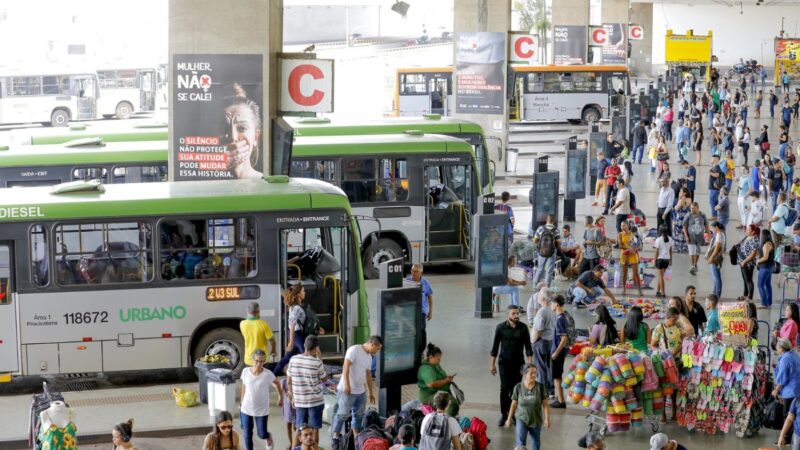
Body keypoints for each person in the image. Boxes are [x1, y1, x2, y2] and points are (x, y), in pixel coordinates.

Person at [330, 336, 383, 448]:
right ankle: (335, 437)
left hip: (361, 392)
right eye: (377, 348)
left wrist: (370, 392)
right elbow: (346, 366)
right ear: (373, 344)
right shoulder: (354, 350)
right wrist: (347, 385)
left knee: (358, 416)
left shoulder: (369, 357)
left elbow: (368, 375)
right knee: (342, 414)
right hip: (347, 391)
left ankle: (356, 437)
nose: (377, 351)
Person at [490, 305, 534, 426]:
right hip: (504, 363)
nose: (516, 316)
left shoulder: (523, 328)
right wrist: (492, 364)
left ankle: (513, 414)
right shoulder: (500, 328)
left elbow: (528, 348)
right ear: (508, 314)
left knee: (515, 389)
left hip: (518, 363)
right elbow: (494, 348)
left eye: (517, 313)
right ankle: (504, 414)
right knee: (504, 389)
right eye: (513, 314)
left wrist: (529, 366)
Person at [286, 336, 328, 445]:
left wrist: (292, 395)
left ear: (304, 345)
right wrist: (320, 358)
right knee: (314, 430)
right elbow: (325, 379)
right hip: (315, 401)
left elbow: (289, 380)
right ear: (316, 348)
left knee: (299, 429)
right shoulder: (316, 362)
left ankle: (295, 448)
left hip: (299, 401)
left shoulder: (293, 359)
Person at [239, 349, 280, 450]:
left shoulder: (267, 374)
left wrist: (280, 396)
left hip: (261, 410)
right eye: (257, 361)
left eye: (262, 361)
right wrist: (241, 401)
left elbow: (277, 383)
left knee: (261, 434)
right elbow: (244, 386)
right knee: (247, 434)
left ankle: (268, 437)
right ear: (253, 360)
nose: (259, 364)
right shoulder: (245, 372)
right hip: (246, 408)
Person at [222, 84, 263, 179]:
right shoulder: (200, 184)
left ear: (256, 138)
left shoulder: (265, 183)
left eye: (242, 129)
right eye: (223, 128)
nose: (233, 137)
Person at [506, 364, 550, 450]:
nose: (534, 375)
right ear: (525, 374)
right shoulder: (518, 387)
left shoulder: (540, 387)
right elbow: (514, 404)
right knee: (520, 445)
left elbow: (545, 404)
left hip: (536, 420)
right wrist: (509, 418)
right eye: (531, 373)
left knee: (536, 443)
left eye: (535, 373)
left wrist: (547, 418)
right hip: (522, 418)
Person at [651, 308, 683, 423]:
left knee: (674, 388)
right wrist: (663, 353)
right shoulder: (659, 328)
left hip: (676, 361)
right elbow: (652, 345)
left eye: (676, 319)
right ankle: (663, 415)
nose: (675, 321)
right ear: (668, 317)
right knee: (664, 388)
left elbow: (681, 341)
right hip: (664, 363)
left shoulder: (678, 326)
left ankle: (674, 413)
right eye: (674, 319)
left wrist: (676, 352)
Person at [273, 284, 308, 376]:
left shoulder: (295, 307)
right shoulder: (296, 308)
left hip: (297, 335)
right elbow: (292, 324)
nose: (305, 292)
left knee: (286, 358)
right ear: (298, 294)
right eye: (303, 291)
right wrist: (291, 342)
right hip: (297, 335)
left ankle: (273, 375)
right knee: (307, 356)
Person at [418, 343, 459, 416]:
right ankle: (446, 422)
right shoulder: (426, 369)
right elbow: (431, 384)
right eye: (438, 359)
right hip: (430, 394)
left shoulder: (435, 365)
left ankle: (449, 420)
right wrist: (445, 381)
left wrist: (447, 378)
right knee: (451, 405)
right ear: (431, 357)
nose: (439, 361)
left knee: (454, 403)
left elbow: (440, 376)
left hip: (439, 391)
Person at [531, 290, 555, 400]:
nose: (538, 297)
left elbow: (538, 330)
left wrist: (533, 341)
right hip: (550, 341)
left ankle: (543, 391)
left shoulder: (542, 312)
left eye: (539, 296)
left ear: (544, 299)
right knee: (548, 367)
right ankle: (551, 390)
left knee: (541, 368)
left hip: (541, 342)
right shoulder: (551, 310)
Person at [406, 264, 433, 356]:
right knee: (411, 330)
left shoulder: (425, 282)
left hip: (422, 311)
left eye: (416, 271)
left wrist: (430, 312)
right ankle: (412, 348)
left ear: (421, 272)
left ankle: (421, 350)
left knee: (421, 329)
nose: (413, 273)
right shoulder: (407, 281)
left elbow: (429, 298)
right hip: (410, 310)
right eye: (412, 271)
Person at [240, 301, 277, 368]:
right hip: (262, 360)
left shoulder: (242, 324)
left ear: (248, 312)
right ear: (258, 311)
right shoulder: (263, 324)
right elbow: (272, 340)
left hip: (249, 360)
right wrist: (273, 351)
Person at [550, 295, 570, 409]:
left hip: (558, 351)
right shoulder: (566, 314)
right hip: (563, 350)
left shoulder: (559, 319)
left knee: (556, 376)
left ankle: (561, 401)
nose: (551, 306)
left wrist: (555, 353)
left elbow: (564, 338)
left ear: (556, 304)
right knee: (557, 375)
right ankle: (559, 397)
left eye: (552, 303)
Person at [774, 338, 800, 421]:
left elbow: (782, 378)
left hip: (790, 391)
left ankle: (787, 434)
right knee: (794, 413)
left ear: (782, 348)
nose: (776, 348)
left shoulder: (785, 358)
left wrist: (776, 390)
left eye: (777, 347)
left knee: (788, 415)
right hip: (797, 389)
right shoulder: (794, 354)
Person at [532, 215, 560, 287]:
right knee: (549, 271)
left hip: (541, 252)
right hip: (552, 253)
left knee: (540, 269)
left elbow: (535, 240)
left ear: (546, 220)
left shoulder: (540, 228)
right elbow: (558, 243)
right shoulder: (556, 230)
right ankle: (547, 287)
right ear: (553, 221)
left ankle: (535, 285)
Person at [683, 202, 710, 275]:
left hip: (700, 238)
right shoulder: (688, 215)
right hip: (690, 238)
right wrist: (686, 237)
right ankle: (693, 266)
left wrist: (708, 237)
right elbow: (684, 227)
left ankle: (695, 264)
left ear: (698, 208)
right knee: (692, 252)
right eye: (691, 208)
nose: (691, 209)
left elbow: (707, 226)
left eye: (693, 208)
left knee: (698, 252)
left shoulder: (702, 215)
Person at [617, 220, 643, 297]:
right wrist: (629, 248)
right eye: (621, 226)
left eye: (624, 225)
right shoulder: (620, 234)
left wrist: (635, 249)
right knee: (624, 273)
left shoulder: (633, 234)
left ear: (628, 226)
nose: (622, 227)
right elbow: (620, 246)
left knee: (636, 273)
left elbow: (640, 246)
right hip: (624, 254)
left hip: (633, 254)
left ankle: (639, 289)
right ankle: (624, 288)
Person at [738, 224, 761, 299]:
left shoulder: (754, 240)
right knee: (745, 279)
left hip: (748, 263)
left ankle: (750, 297)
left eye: (748, 230)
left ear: (753, 232)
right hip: (742, 261)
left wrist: (744, 261)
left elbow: (753, 254)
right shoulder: (748, 237)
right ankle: (745, 295)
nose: (746, 231)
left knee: (748, 280)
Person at [757, 229, 776, 308]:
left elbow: (765, 257)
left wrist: (758, 260)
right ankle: (769, 302)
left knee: (760, 285)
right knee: (767, 284)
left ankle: (764, 303)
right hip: (770, 266)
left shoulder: (766, 245)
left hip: (765, 267)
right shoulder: (771, 243)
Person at [706, 221, 726, 298]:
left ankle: (717, 294)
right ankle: (715, 292)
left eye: (712, 228)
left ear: (716, 227)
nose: (712, 230)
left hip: (715, 258)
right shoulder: (719, 234)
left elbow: (717, 247)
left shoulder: (719, 235)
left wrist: (711, 258)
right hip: (715, 258)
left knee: (716, 277)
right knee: (715, 277)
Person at [654, 226, 673, 298]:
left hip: (660, 260)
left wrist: (654, 261)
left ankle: (663, 293)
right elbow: (670, 251)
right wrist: (671, 260)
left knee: (661, 277)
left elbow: (656, 252)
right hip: (666, 260)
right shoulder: (670, 239)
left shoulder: (658, 240)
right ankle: (658, 291)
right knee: (660, 276)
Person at [672, 187, 691, 253]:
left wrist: (679, 199)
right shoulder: (689, 199)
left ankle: (679, 247)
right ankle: (685, 247)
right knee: (685, 232)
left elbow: (676, 208)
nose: (679, 192)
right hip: (686, 219)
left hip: (680, 219)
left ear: (684, 193)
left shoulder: (682, 200)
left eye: (681, 191)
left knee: (678, 233)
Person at [708, 154, 724, 219]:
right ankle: (719, 215)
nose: (711, 159)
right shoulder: (715, 166)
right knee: (716, 202)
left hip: (713, 189)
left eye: (712, 158)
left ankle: (714, 216)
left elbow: (717, 175)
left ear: (715, 159)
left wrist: (710, 173)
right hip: (713, 188)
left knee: (712, 202)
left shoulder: (717, 167)